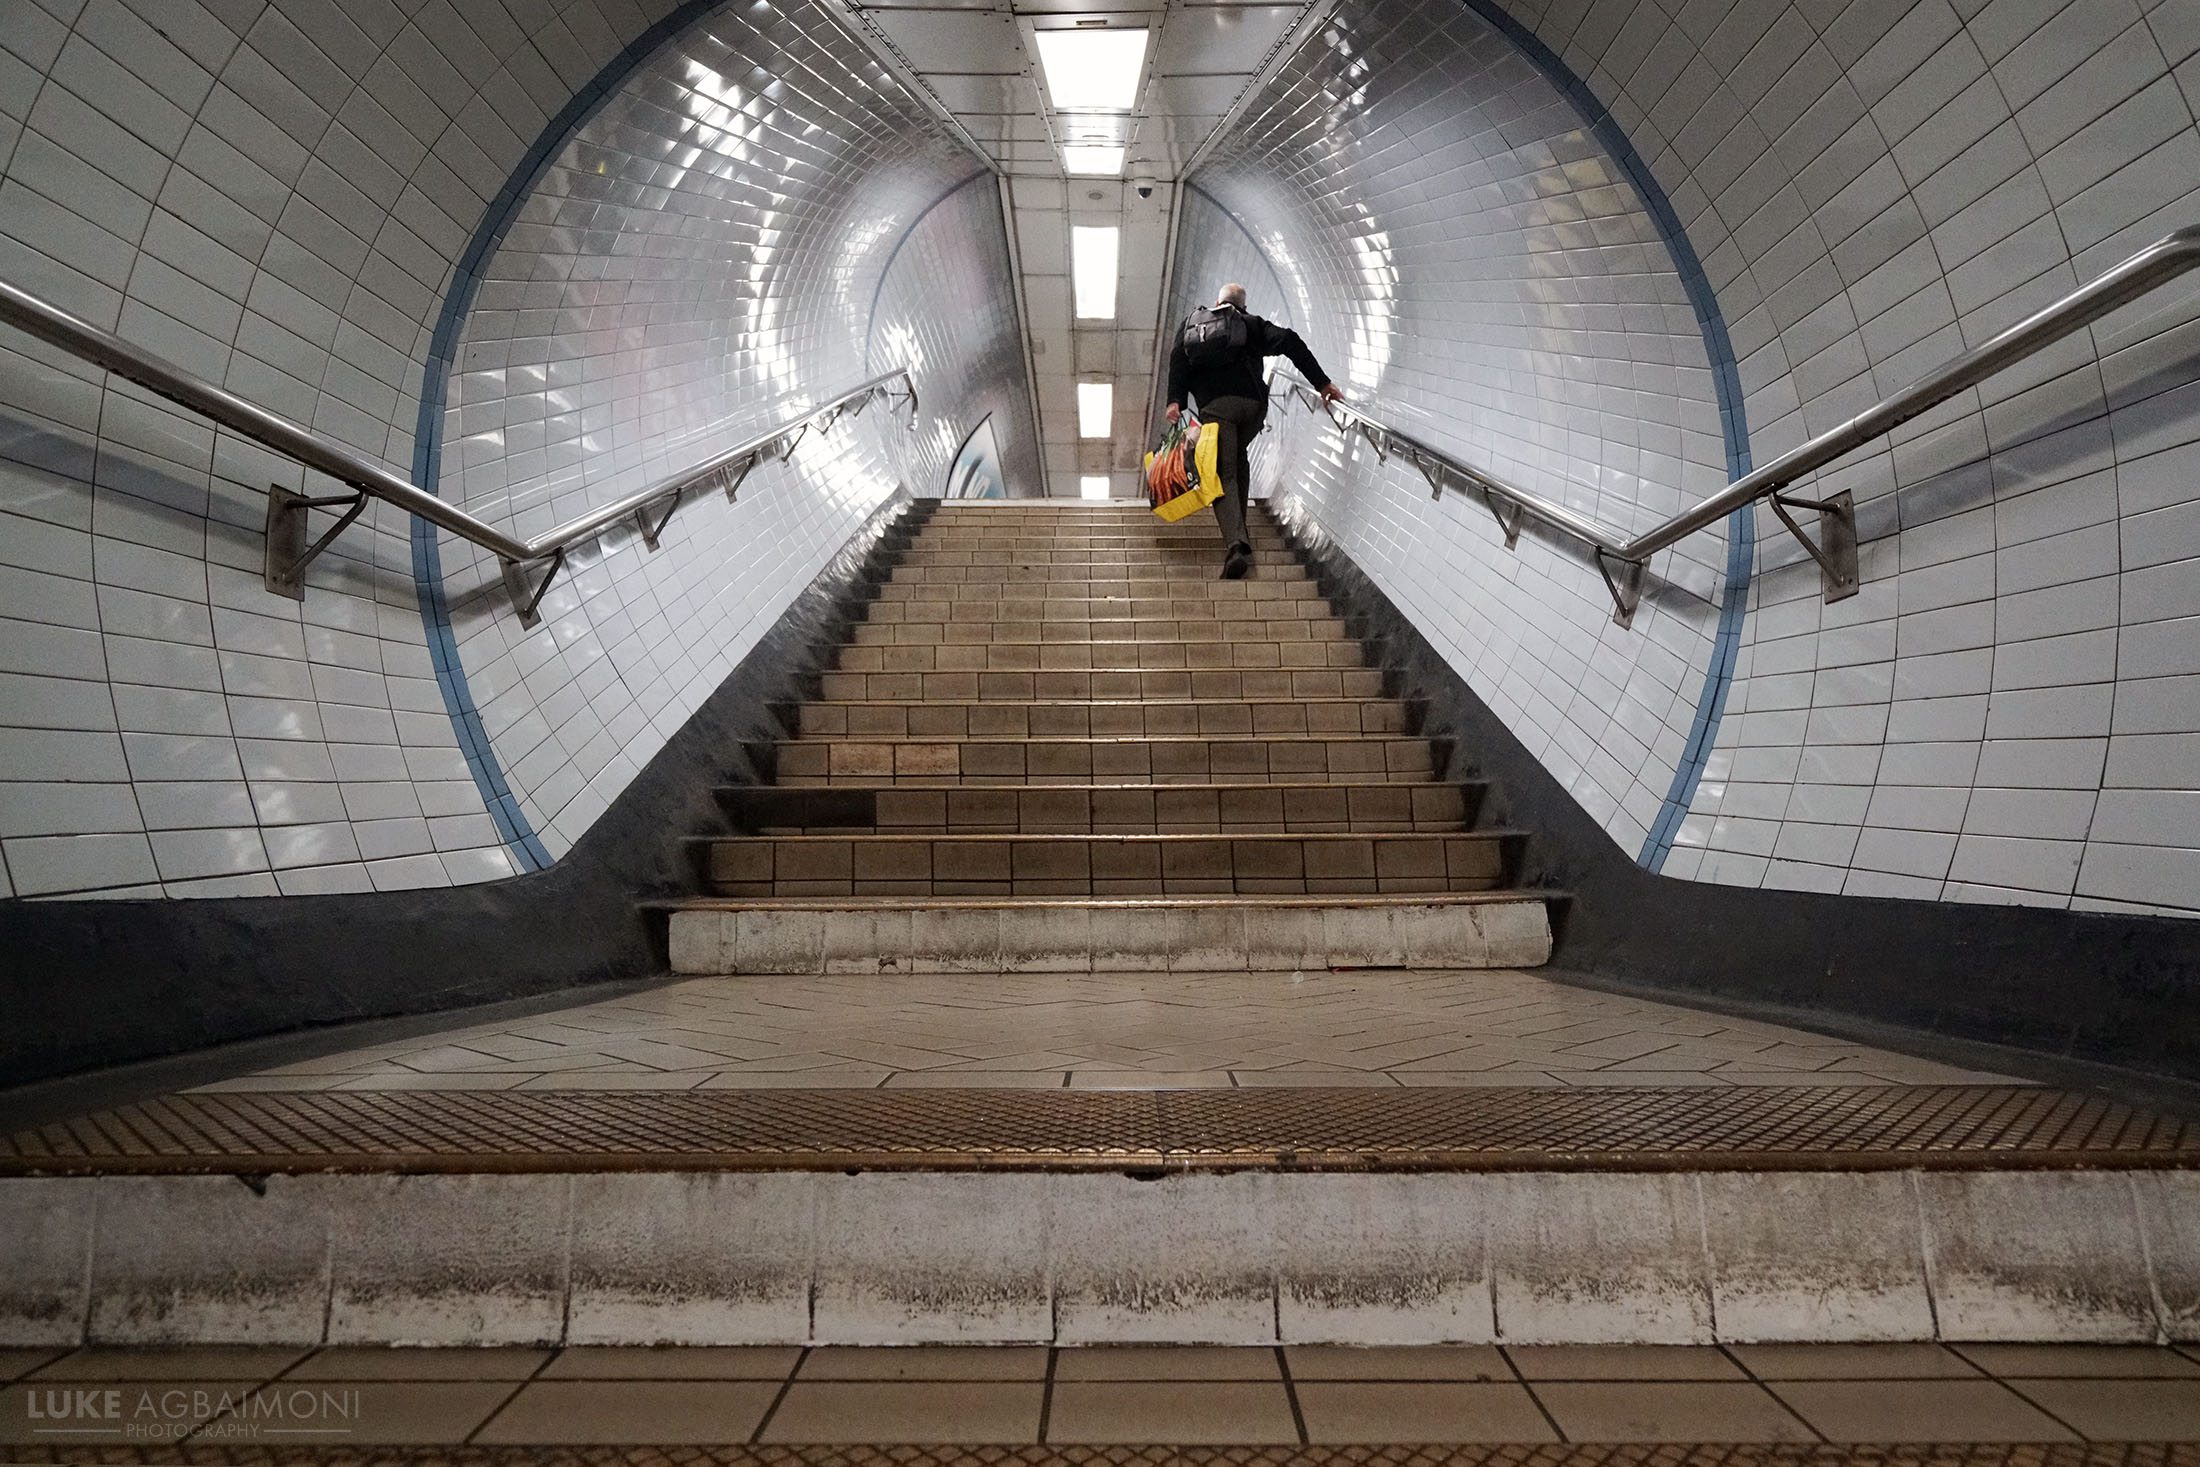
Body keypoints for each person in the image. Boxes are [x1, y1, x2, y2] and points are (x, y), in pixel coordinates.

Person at [1164, 283, 1344, 578]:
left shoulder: (1192, 326)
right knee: (1236, 459)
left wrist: (1175, 401)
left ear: (1216, 303)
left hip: (1216, 410)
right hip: (1252, 409)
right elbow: (1290, 341)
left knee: (1223, 473)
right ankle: (1242, 531)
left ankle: (1236, 546)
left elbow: (1177, 359)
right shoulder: (1249, 324)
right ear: (1242, 306)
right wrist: (1321, 383)